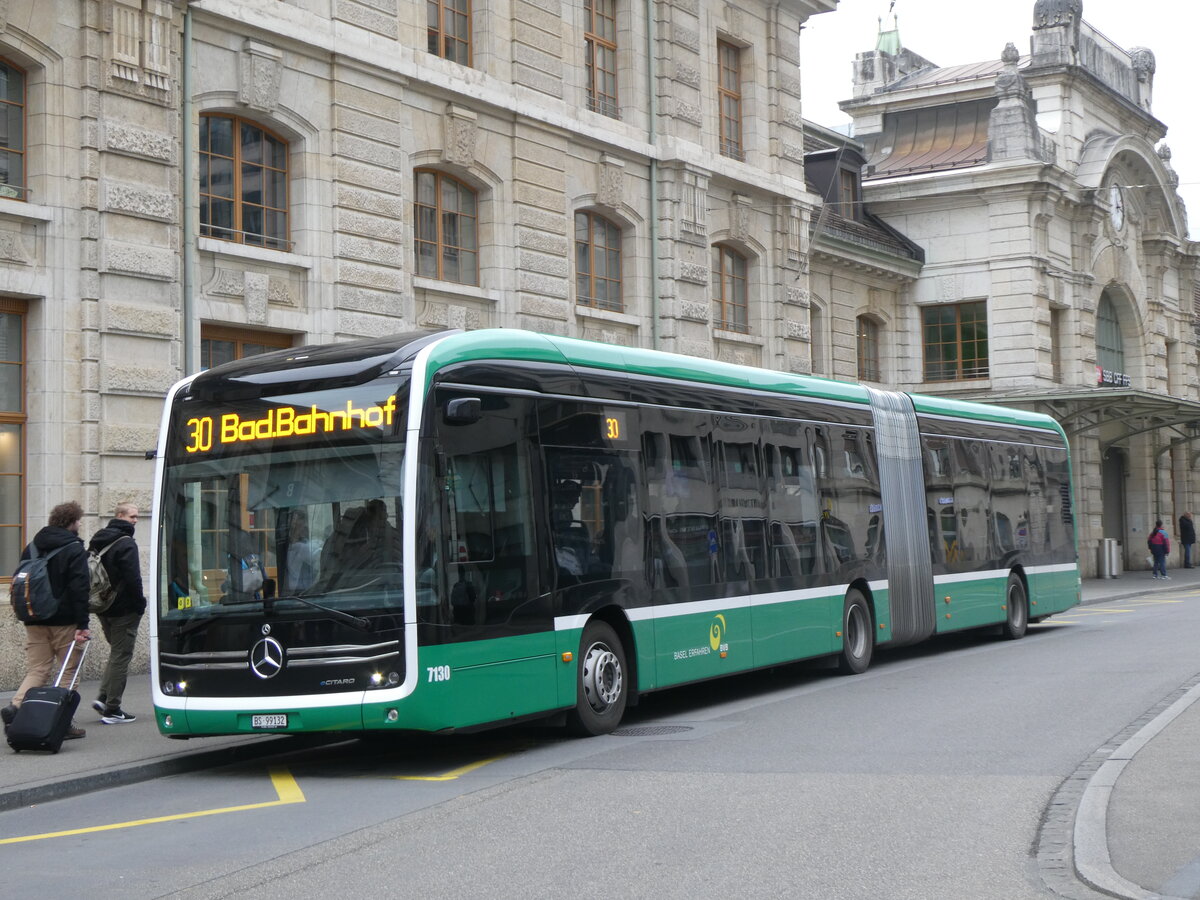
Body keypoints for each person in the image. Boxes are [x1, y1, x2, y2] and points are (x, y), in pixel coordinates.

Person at [0, 501, 91, 739]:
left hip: (33, 618)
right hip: (65, 621)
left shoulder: (32, 546)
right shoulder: (74, 548)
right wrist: (83, 624)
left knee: (38, 669)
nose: (80, 524)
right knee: (68, 672)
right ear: (72, 522)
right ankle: (61, 722)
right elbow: (80, 589)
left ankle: (16, 707)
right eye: (79, 520)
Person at [88, 502, 145, 724]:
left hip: (103, 607)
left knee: (116, 653)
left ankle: (103, 697)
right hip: (124, 609)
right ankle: (113, 709)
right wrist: (140, 603)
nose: (136, 520)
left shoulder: (97, 539)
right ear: (120, 516)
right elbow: (133, 578)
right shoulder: (126, 544)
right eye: (132, 516)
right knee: (122, 655)